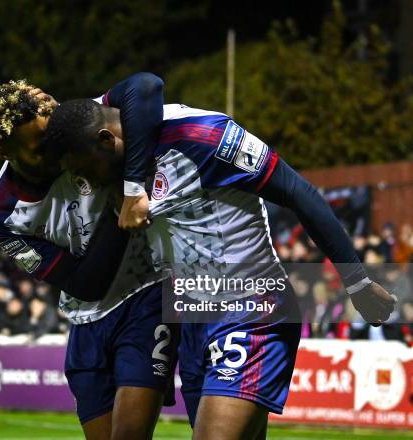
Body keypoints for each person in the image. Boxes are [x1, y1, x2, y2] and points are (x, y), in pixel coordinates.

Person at [45, 99, 397, 440]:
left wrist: (356, 280)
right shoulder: (122, 168)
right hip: (195, 318)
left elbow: (297, 191)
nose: (86, 182)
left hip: (252, 307)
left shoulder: (205, 137)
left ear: (106, 141)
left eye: (85, 169)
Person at [0, 73, 178, 439]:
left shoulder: (77, 125)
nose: (56, 156)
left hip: (146, 295)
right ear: (5, 151)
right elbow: (84, 283)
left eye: (52, 142)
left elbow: (146, 87)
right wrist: (116, 210)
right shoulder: (0, 216)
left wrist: (130, 186)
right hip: (85, 320)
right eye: (38, 150)